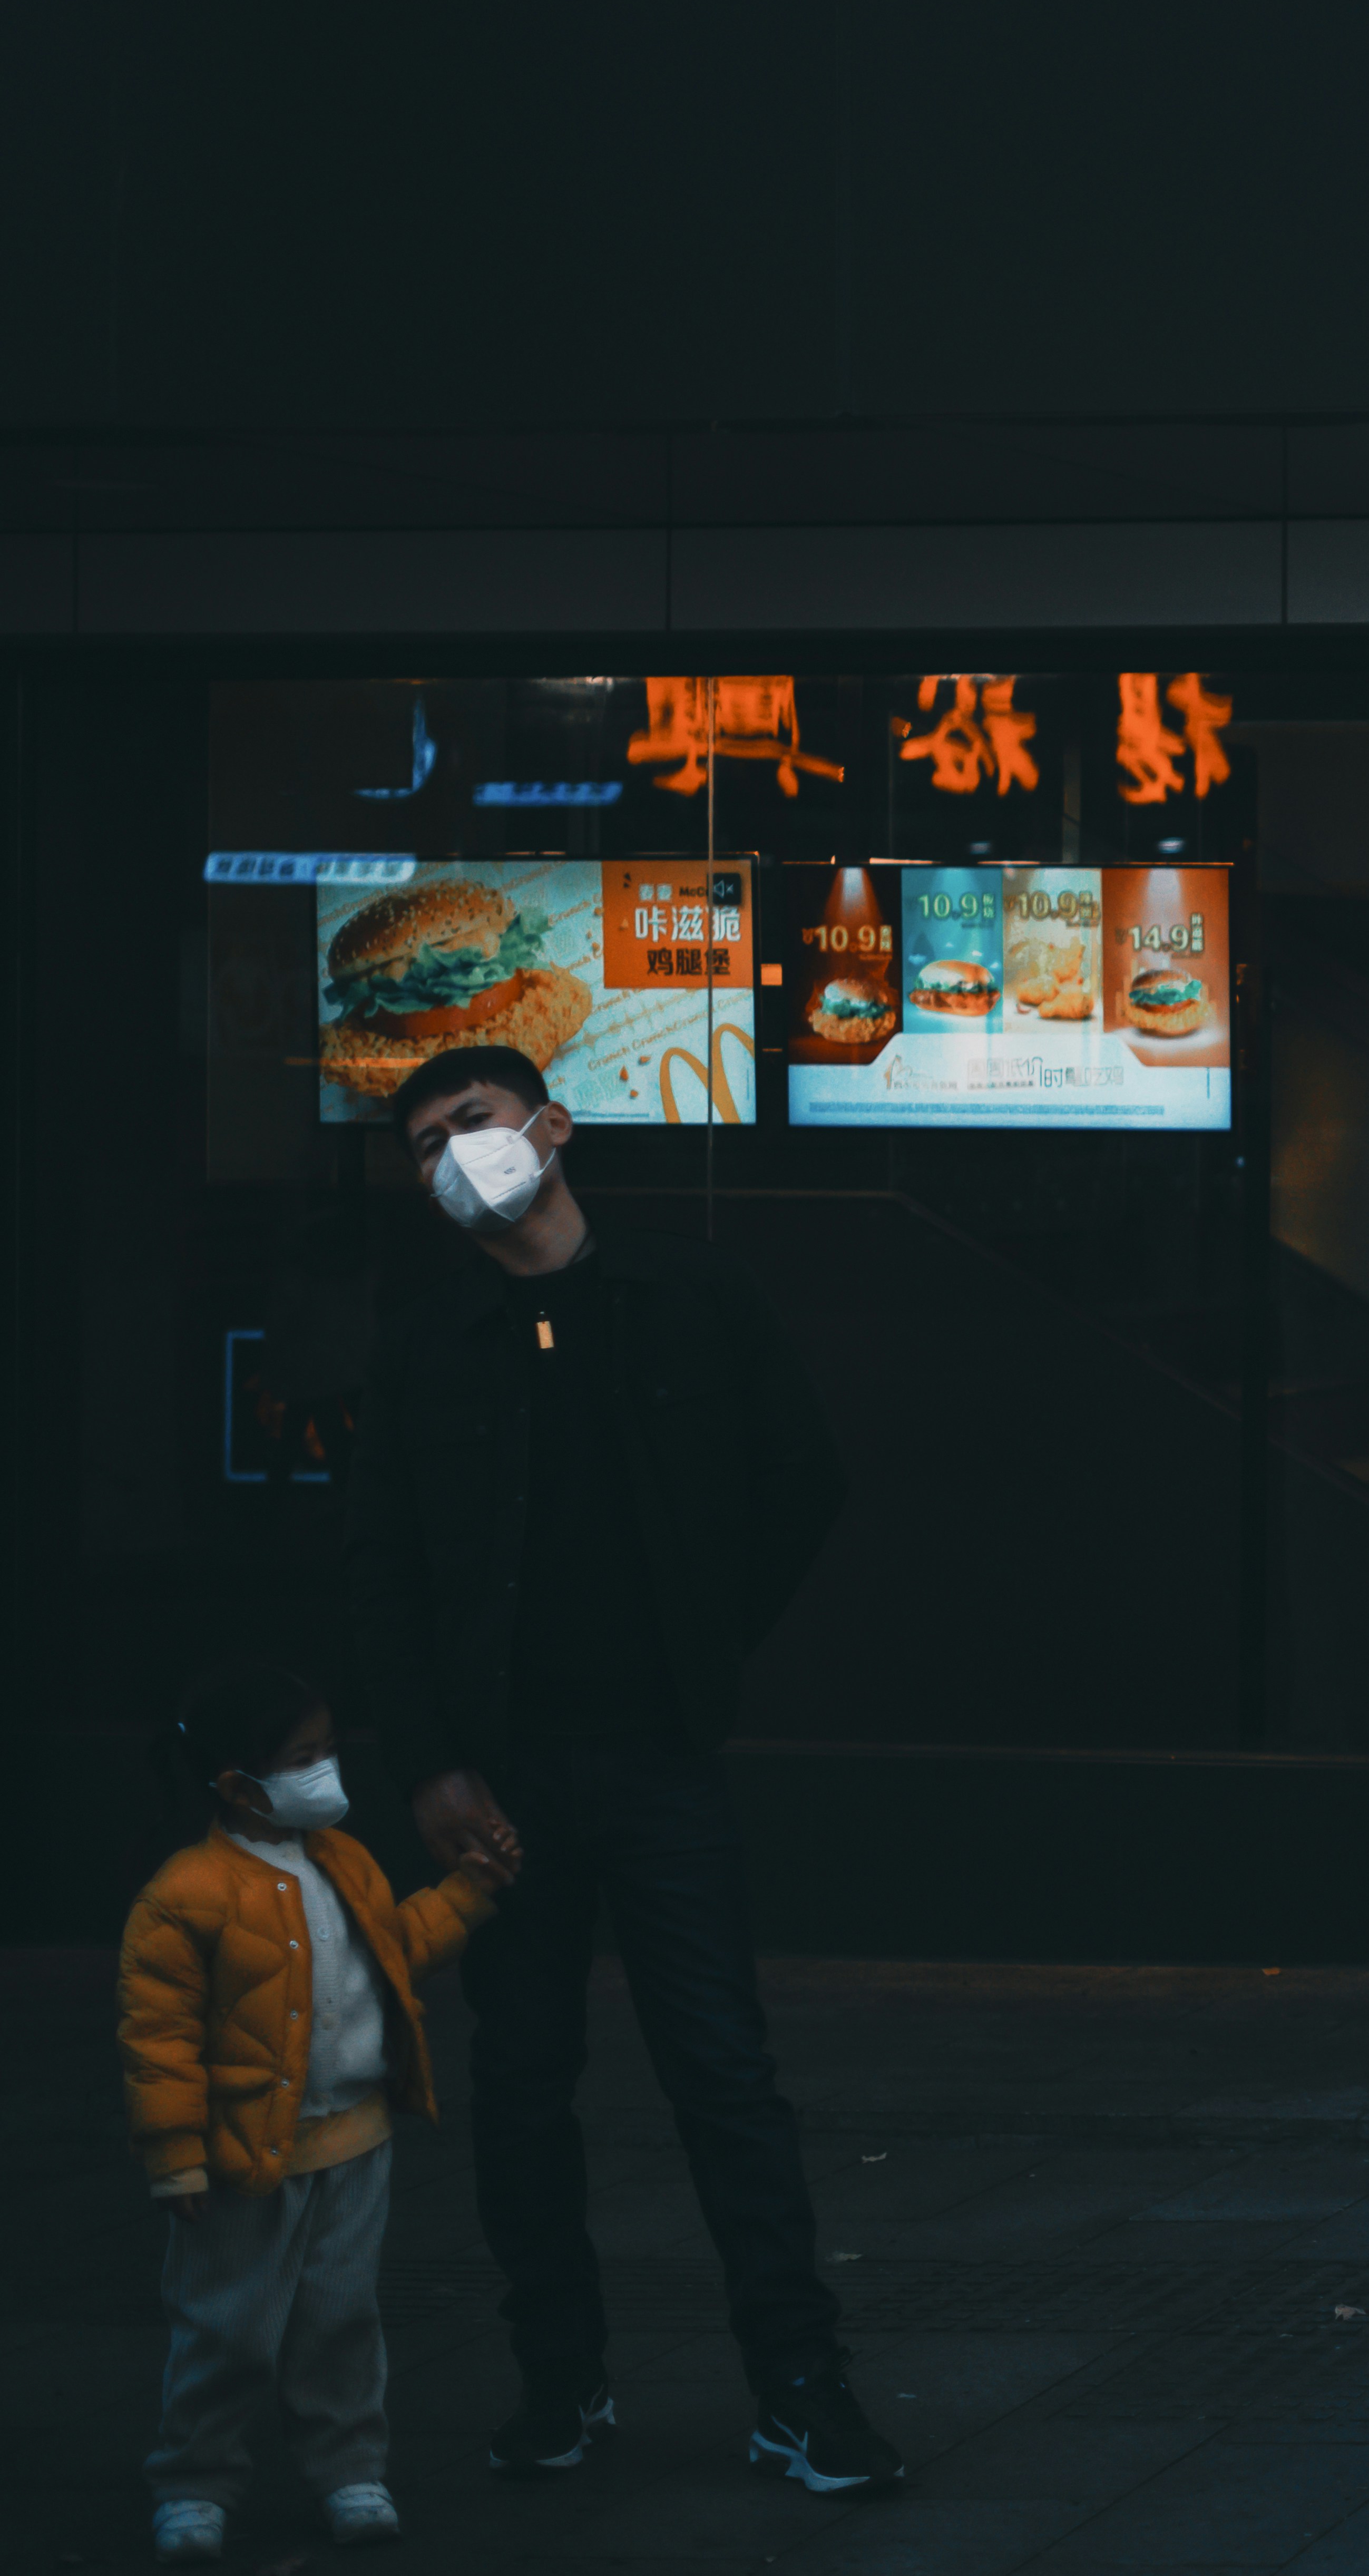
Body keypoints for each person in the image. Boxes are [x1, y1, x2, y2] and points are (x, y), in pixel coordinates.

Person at [345, 1044, 897, 2496]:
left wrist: (697, 1652)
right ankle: (559, 2384)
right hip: (498, 1784)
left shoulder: (687, 1298)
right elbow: (380, 1576)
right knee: (522, 2087)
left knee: (723, 2075)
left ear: (550, 1127)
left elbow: (801, 1480)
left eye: (470, 1123)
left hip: (656, 1758)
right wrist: (432, 1767)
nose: (452, 1156)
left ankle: (801, 2387)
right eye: (422, 1146)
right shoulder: (424, 1346)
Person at [122, 1659, 513, 2564]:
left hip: (355, 2147)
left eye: (330, 1750)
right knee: (226, 2330)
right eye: (303, 1756)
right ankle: (193, 2483)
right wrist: (175, 2155)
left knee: (341, 2321)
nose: (325, 1771)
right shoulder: (184, 1897)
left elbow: (396, 1949)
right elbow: (160, 2040)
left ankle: (350, 2473)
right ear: (235, 1781)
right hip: (237, 2159)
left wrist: (468, 1894)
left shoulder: (347, 1864)